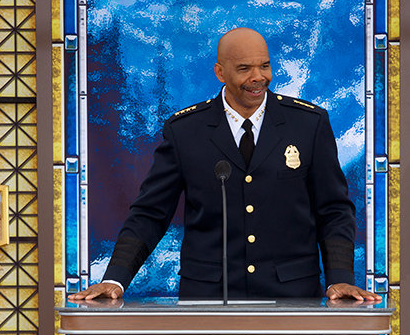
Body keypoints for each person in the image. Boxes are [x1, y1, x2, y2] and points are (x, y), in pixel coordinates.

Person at [70, 28, 380, 303]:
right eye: (245, 68)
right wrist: (115, 279)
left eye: (264, 65)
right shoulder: (185, 131)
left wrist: (340, 278)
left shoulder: (308, 124)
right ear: (220, 72)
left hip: (292, 296)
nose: (258, 77)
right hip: (208, 298)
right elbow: (150, 212)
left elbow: (333, 209)